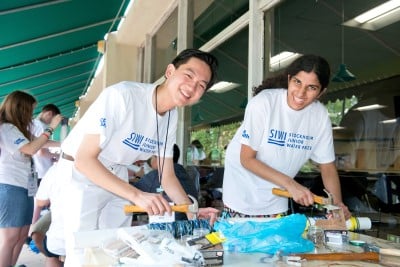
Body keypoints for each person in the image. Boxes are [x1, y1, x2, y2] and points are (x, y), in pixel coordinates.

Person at [55, 48, 219, 264]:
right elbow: (85, 160)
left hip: (117, 171)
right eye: (188, 75)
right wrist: (137, 195)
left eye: (201, 85)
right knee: (81, 251)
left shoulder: (172, 116)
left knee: (118, 247)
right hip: (80, 172)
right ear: (170, 71)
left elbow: (167, 177)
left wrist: (192, 210)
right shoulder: (123, 96)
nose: (192, 87)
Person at [222, 54, 351, 220]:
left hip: (278, 194)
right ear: (289, 79)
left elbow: (327, 166)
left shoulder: (319, 116)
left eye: (311, 87)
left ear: (321, 92)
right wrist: (291, 184)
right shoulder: (264, 103)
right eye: (297, 82)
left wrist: (336, 205)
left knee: (274, 244)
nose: (301, 93)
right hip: (242, 191)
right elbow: (246, 159)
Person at [0, 91, 62, 267]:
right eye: (30, 110)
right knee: (10, 238)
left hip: (22, 187)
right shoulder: (7, 128)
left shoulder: (18, 130)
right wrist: (50, 129)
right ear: (21, 109)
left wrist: (69, 143)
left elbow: (40, 143)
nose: (31, 115)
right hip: (10, 186)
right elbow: (30, 149)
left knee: (21, 236)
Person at [134, 144, 198, 220]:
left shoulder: (154, 176)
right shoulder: (185, 173)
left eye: (152, 157)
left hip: (166, 225)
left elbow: (132, 193)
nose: (150, 160)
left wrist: (138, 176)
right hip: (186, 220)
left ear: (159, 158)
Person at [30, 163, 66, 267]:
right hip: (58, 212)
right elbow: (40, 202)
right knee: (36, 233)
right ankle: (53, 256)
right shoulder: (56, 169)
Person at [31, 104, 61, 183]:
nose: (52, 122)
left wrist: (51, 157)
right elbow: (42, 152)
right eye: (54, 120)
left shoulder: (33, 124)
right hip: (42, 171)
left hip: (34, 170)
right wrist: (58, 155)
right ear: (49, 114)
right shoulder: (42, 126)